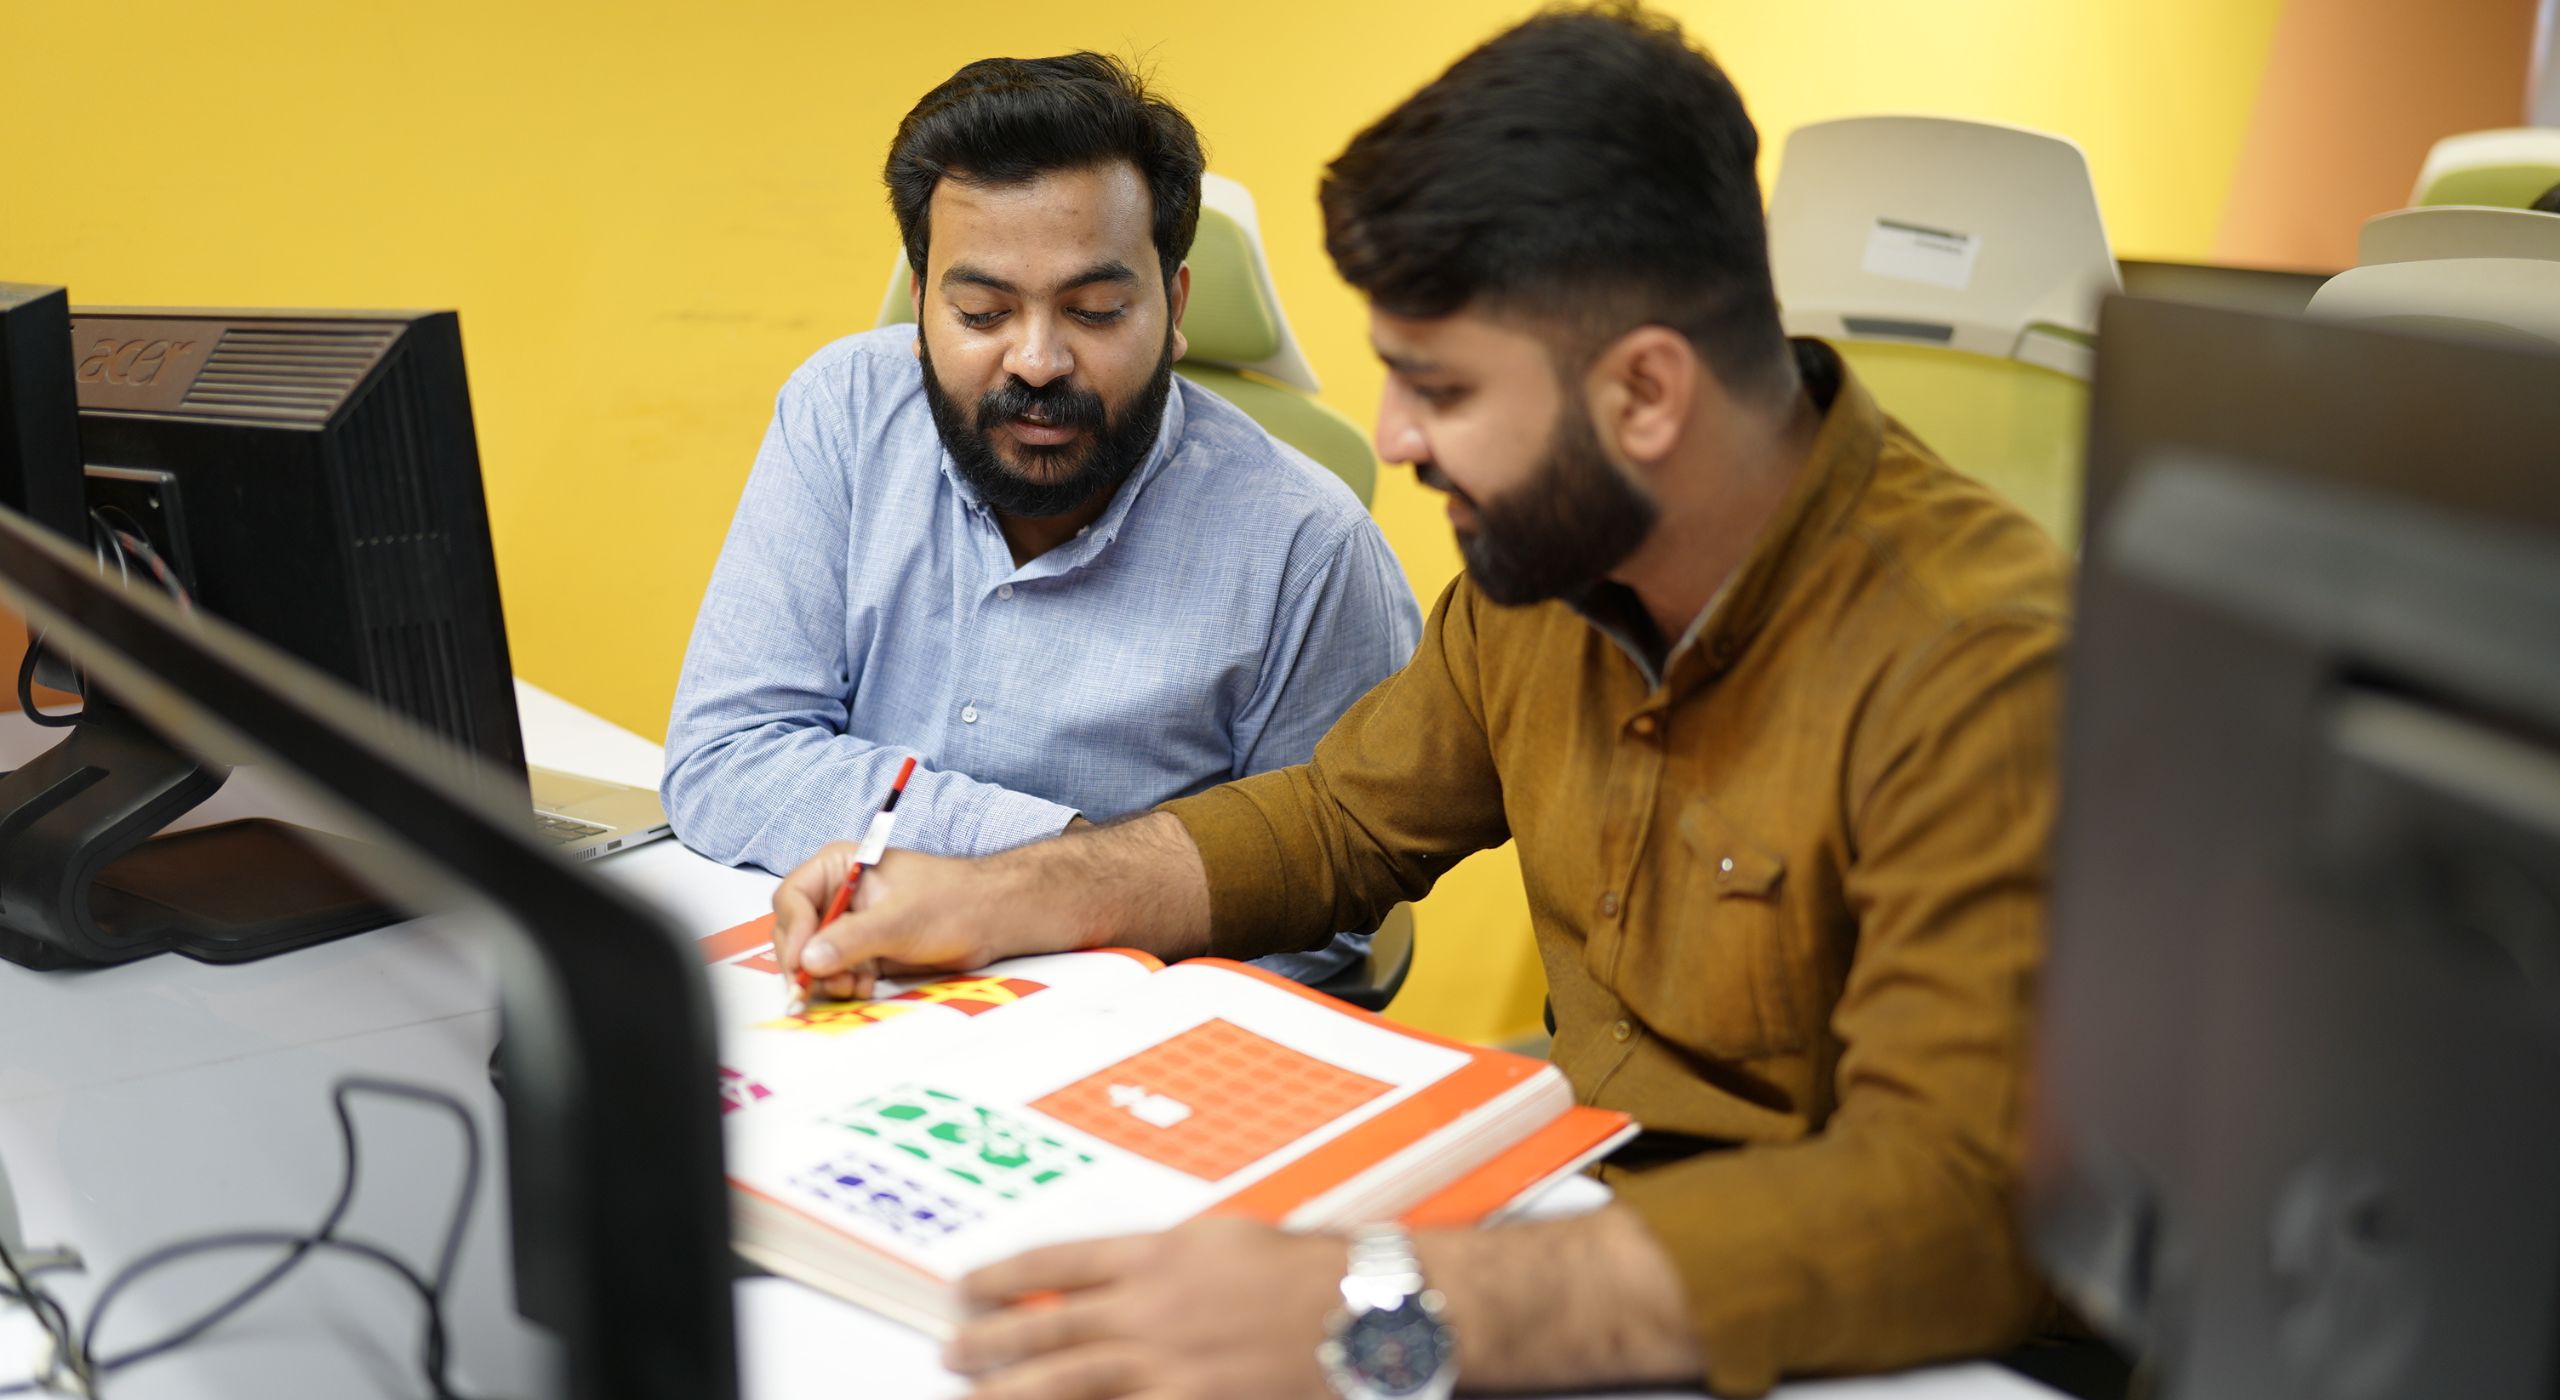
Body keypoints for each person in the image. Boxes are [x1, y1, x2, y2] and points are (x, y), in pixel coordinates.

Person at [775, 6, 2069, 1395]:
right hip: (1586, 1227)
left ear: (1644, 391)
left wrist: (1365, 1301)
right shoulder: (1547, 565)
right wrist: (999, 896)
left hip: (1835, 1330)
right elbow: (1338, 820)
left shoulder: (1984, 665)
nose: (1391, 438)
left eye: (1438, 388)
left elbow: (1948, 1208)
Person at [664, 52, 1421, 984]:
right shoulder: (843, 414)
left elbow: (1318, 922)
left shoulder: (1310, 549)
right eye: (981, 312)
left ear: (1173, 306)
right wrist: (1065, 850)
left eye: (1096, 311)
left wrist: (1041, 894)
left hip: (1119, 1046)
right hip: (855, 986)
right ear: (922, 305)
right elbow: (727, 755)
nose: (1035, 360)